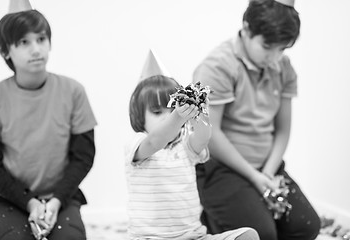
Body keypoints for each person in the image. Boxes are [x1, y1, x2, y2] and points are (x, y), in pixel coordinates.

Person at [192, 0, 321, 240]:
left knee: (307, 226)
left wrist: (268, 174)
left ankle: (248, 211)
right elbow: (211, 136)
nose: (274, 58)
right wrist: (254, 177)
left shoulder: (283, 67)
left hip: (266, 167)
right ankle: (212, 222)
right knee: (260, 233)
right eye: (267, 46)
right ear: (247, 29)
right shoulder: (217, 66)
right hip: (222, 169)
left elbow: (283, 130)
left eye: (282, 49)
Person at [125, 50, 259, 240]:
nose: (166, 116)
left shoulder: (184, 146)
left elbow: (203, 138)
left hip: (192, 236)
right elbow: (156, 140)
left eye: (171, 108)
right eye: (156, 111)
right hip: (150, 237)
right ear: (139, 116)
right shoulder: (137, 143)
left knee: (248, 235)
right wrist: (177, 116)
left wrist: (200, 112)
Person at [0, 1, 97, 239]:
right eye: (24, 42)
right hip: (8, 198)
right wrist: (30, 203)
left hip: (60, 196)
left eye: (41, 39)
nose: (36, 49)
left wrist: (57, 201)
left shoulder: (73, 91)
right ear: (6, 51)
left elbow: (83, 156)